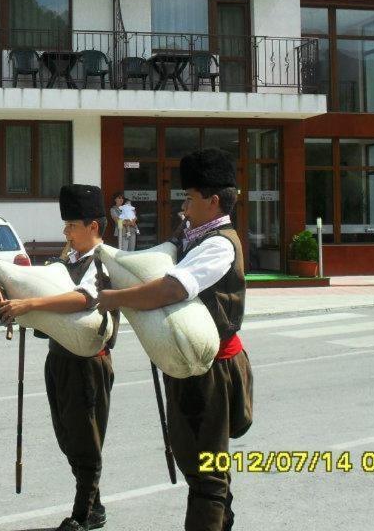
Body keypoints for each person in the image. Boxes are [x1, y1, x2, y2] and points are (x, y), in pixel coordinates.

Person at [97, 149, 253, 531]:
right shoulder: (189, 234)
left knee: (205, 469)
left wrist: (115, 298)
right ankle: (222, 515)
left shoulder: (219, 244)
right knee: (195, 457)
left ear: (213, 200)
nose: (183, 206)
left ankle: (214, 517)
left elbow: (171, 289)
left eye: (189, 198)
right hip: (190, 362)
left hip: (212, 369)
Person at [0, 184, 118, 531]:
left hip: (89, 362)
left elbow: (85, 299)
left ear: (93, 226)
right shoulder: (66, 262)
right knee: (68, 435)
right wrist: (9, 296)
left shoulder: (104, 261)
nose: (66, 232)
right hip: (59, 357)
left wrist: (30, 304)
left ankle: (81, 514)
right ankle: (95, 504)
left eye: (72, 226)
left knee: (85, 437)